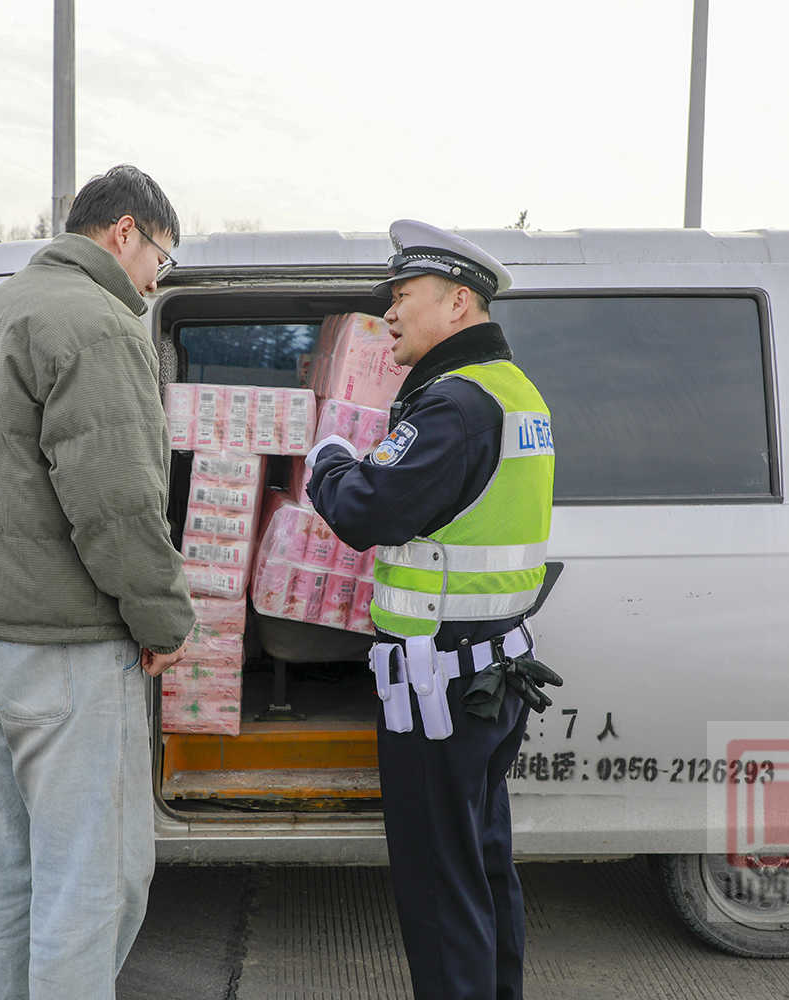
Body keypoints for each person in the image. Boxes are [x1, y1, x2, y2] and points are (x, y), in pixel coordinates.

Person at [0, 165, 194, 1000]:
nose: (154, 284)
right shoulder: (98, 325)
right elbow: (117, 507)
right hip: (63, 650)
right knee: (92, 885)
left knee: (4, 875)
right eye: (161, 262)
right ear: (125, 233)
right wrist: (164, 623)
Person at [305, 220, 562, 1000]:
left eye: (403, 296)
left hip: (438, 692)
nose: (390, 313)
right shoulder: (516, 395)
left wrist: (327, 457)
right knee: (482, 869)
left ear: (457, 303)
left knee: (440, 888)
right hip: (489, 678)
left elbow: (366, 509)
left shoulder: (454, 407)